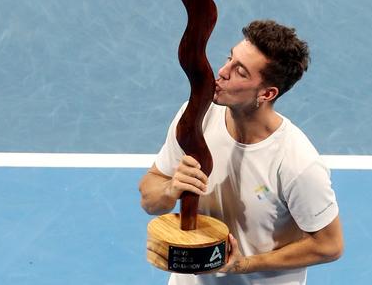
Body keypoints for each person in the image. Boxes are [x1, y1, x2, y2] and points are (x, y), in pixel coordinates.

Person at [139, 20, 343, 285]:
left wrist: (242, 265)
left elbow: (329, 245)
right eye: (229, 59)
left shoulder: (297, 163)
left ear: (267, 93)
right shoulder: (196, 117)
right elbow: (149, 196)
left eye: (240, 72)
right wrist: (170, 189)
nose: (222, 72)